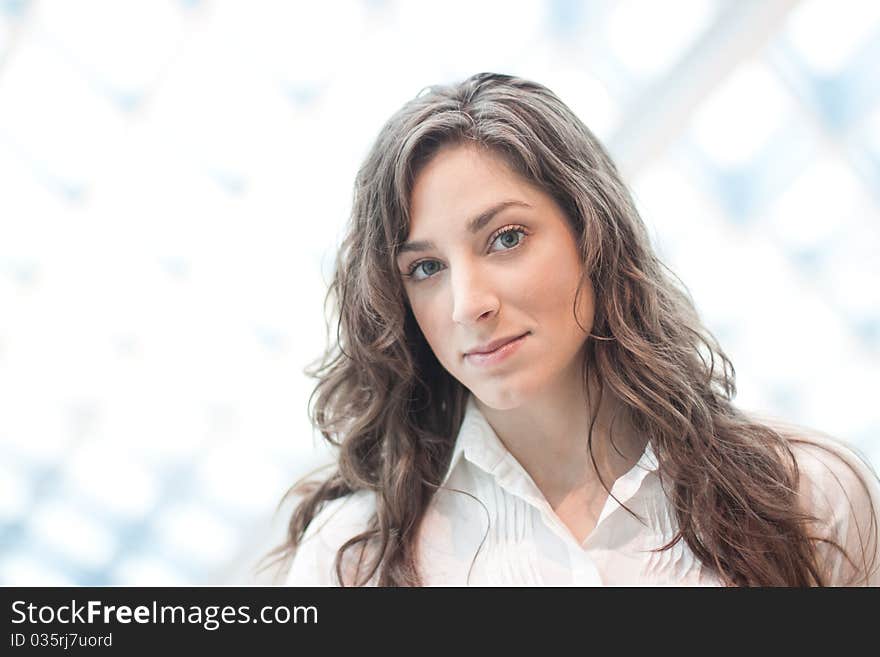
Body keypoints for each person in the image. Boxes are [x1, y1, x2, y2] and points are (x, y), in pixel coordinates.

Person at [268, 72, 880, 586]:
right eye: (426, 268)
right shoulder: (352, 560)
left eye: (506, 238)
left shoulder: (808, 495)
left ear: (593, 234)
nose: (467, 305)